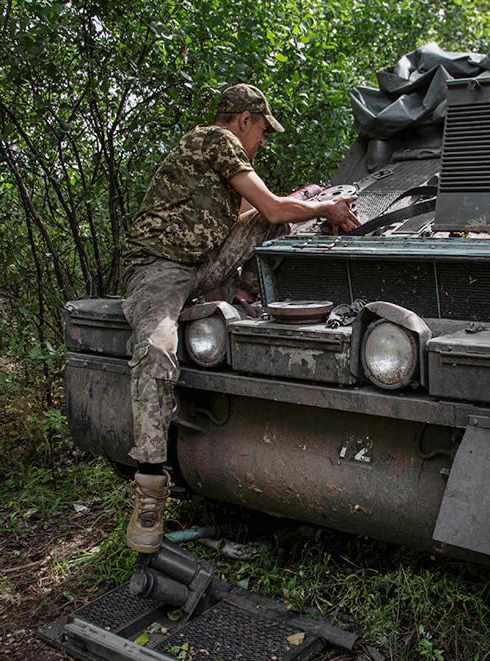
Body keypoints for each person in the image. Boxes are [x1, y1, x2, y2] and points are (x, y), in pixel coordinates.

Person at [121, 83, 359, 552]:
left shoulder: (215, 162)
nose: (261, 142)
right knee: (156, 349)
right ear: (245, 119)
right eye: (261, 132)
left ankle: (244, 297)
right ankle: (149, 489)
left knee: (277, 219)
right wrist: (323, 206)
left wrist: (303, 201)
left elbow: (259, 214)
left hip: (199, 265)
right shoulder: (216, 140)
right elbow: (269, 205)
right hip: (159, 269)